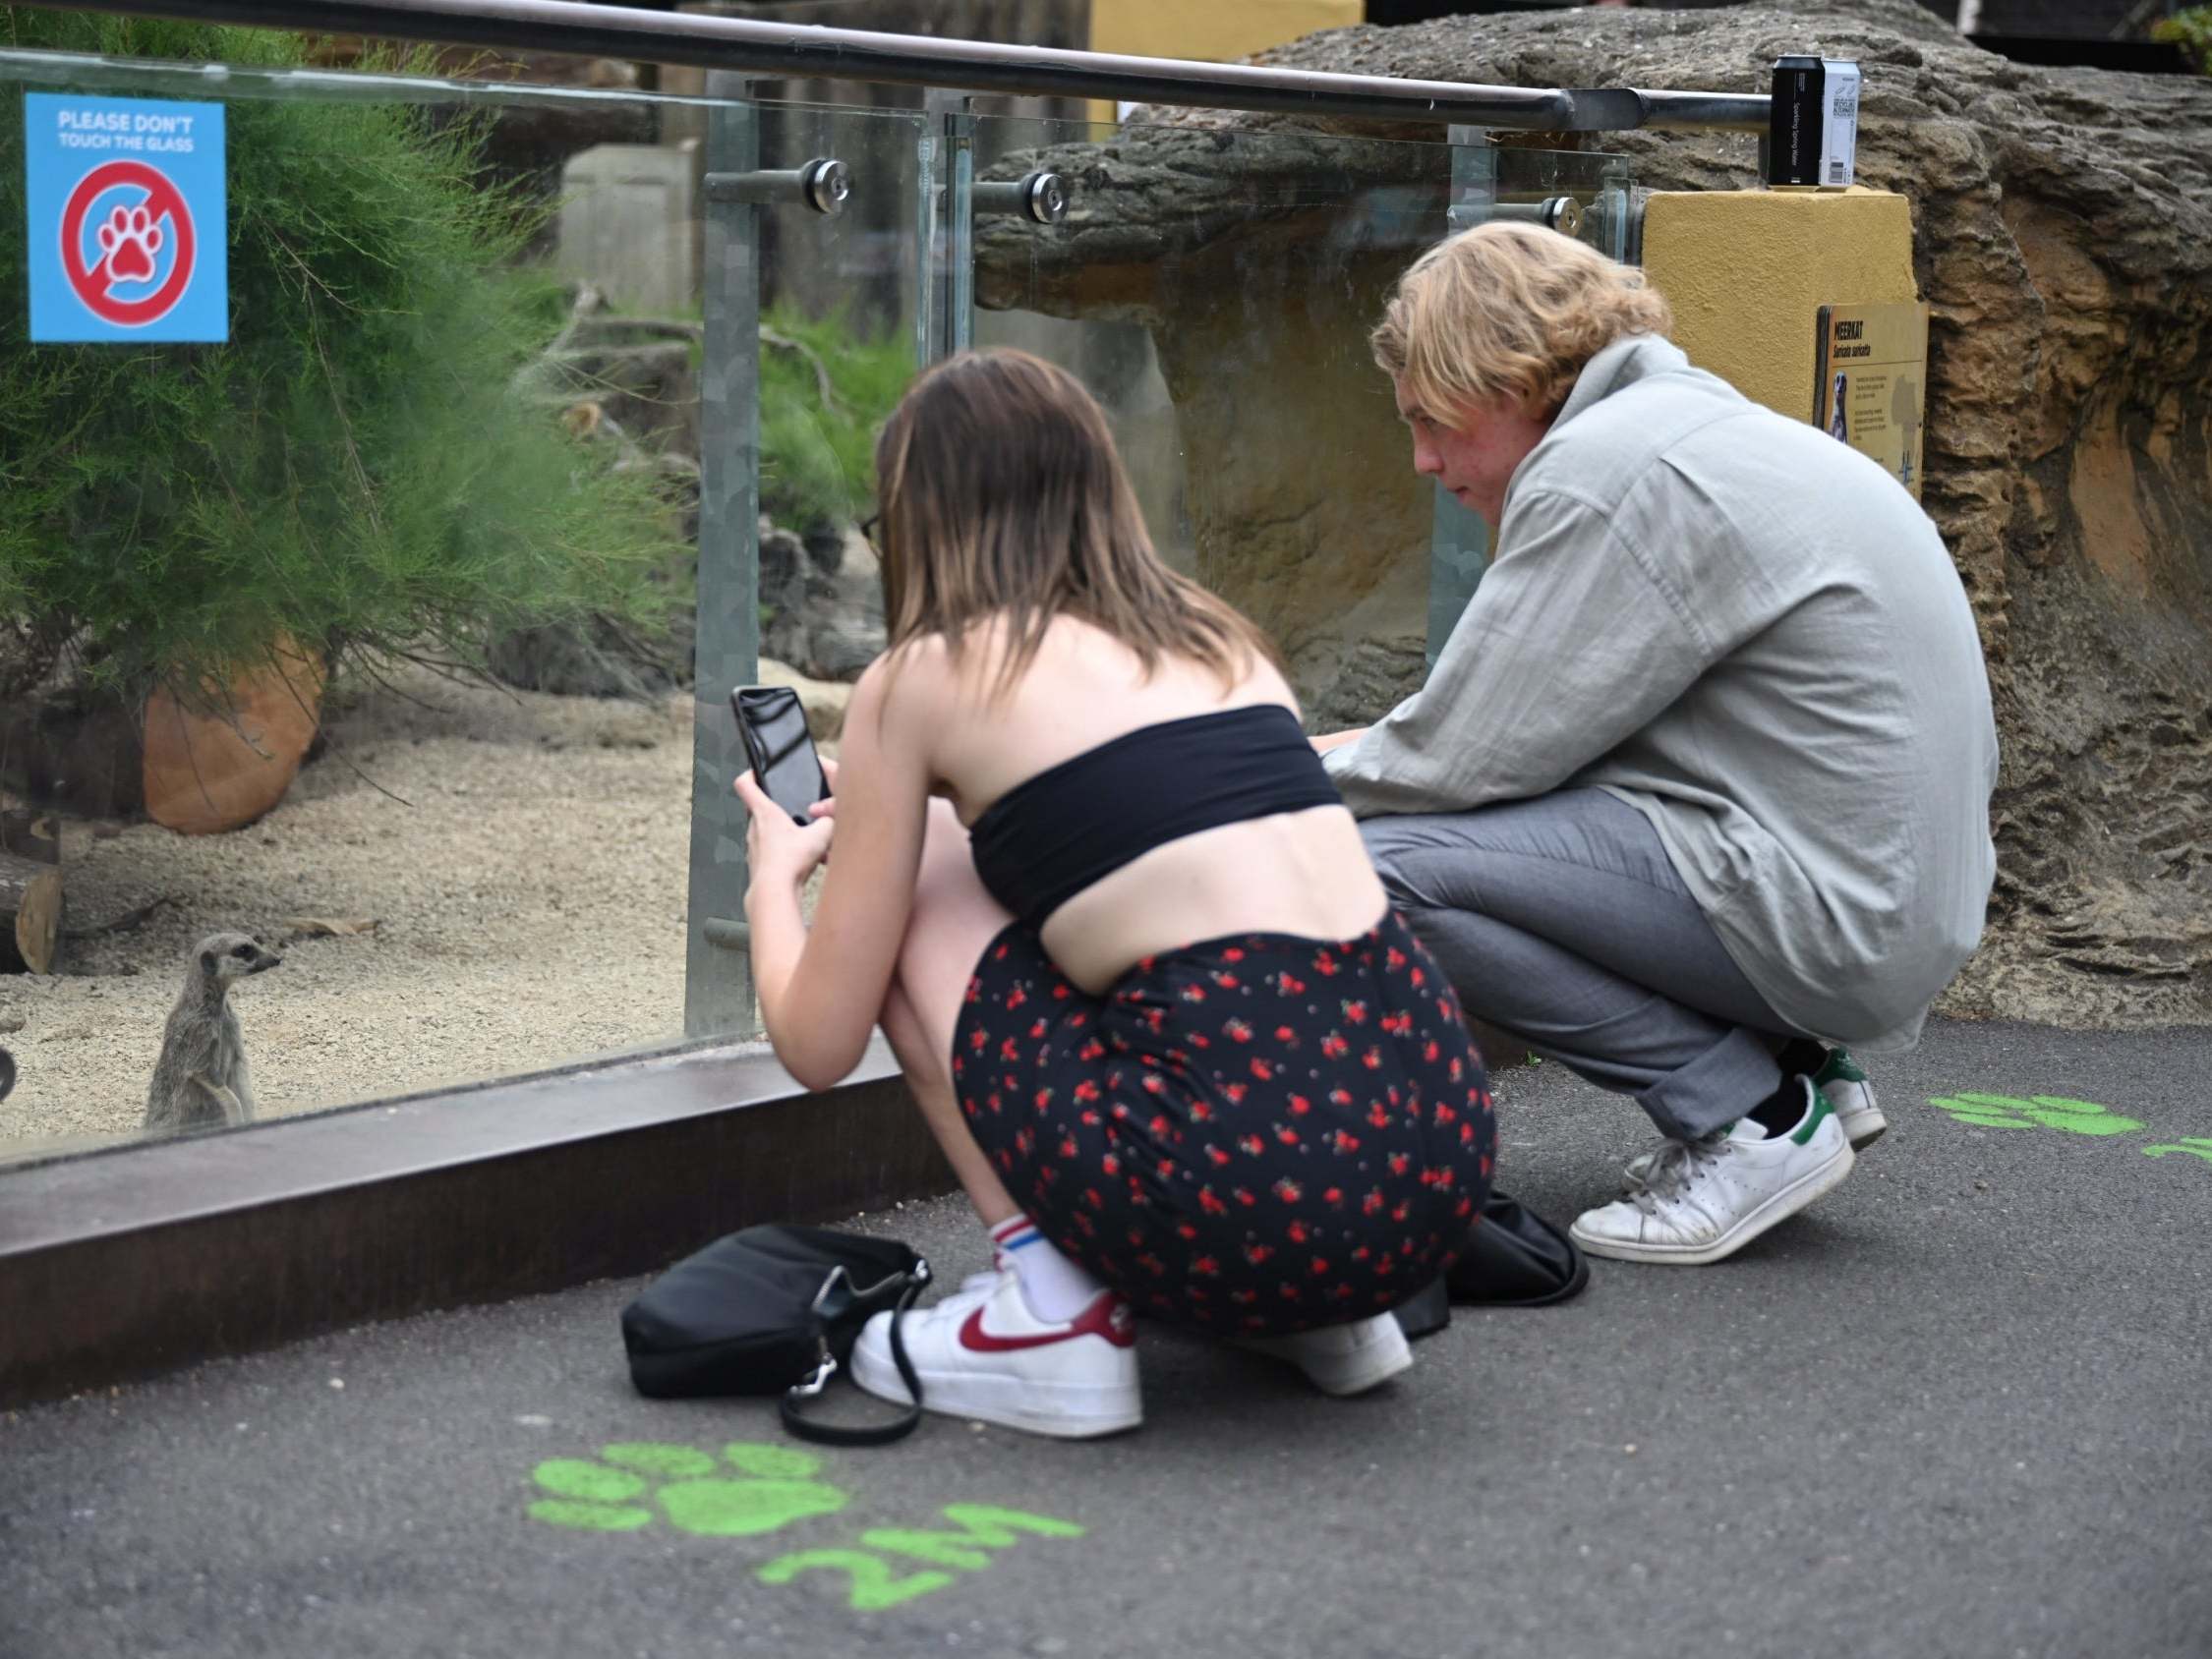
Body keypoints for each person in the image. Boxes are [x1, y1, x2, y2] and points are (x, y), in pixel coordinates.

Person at [734, 349, 1493, 1439]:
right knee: (1114, 920)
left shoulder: (927, 674)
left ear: (923, 517)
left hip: (1243, 1180)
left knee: (931, 870)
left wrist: (775, 879)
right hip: (1428, 1158)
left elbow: (817, 1042)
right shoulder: (1216, 638)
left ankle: (1051, 1312)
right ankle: (1329, 1319)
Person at [1316, 222, 1997, 1267]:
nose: (1423, 458)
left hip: (1832, 919)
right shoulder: (1687, 429)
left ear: (1495, 375)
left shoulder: (1606, 470)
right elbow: (1516, 735)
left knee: (1371, 871)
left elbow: (1459, 758)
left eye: (1430, 417)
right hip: (1884, 907)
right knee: (1493, 817)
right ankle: (1805, 1067)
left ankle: (1752, 1114)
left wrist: (1244, 788)